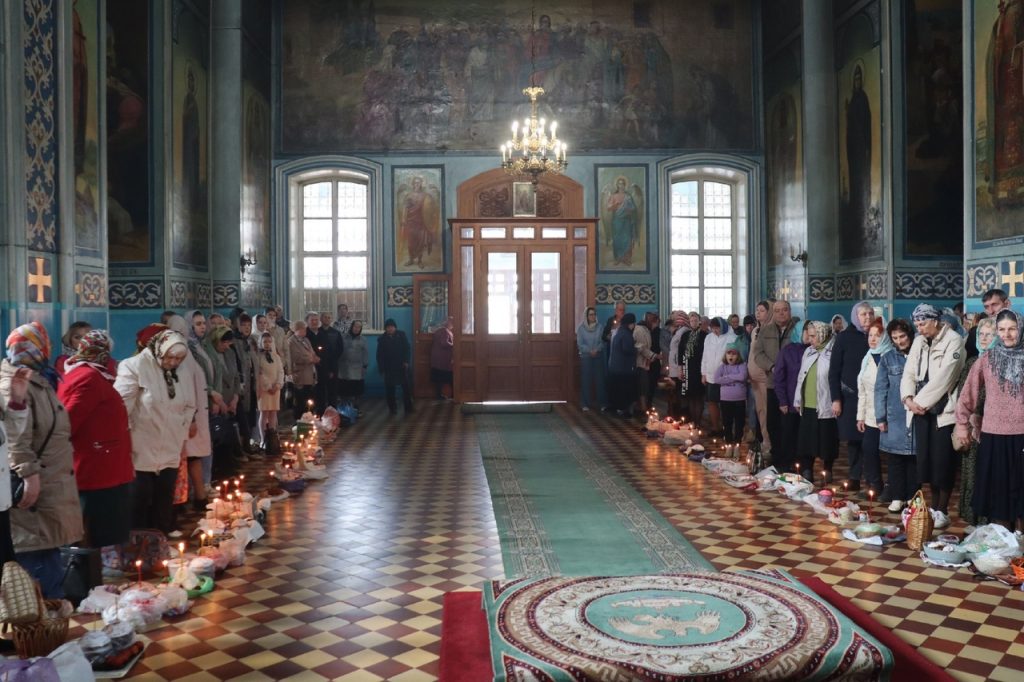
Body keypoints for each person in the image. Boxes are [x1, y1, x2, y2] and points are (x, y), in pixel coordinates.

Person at [0, 322, 84, 597]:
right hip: (36, 489)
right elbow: (15, 438)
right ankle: (41, 621)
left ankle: (50, 617)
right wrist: (28, 474)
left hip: (50, 483)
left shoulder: (37, 378)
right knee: (37, 572)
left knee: (48, 560)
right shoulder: (14, 384)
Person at [57, 330, 134, 548]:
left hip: (101, 463)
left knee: (101, 526)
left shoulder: (86, 374)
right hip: (98, 467)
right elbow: (69, 420)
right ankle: (99, 566)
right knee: (102, 529)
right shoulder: (88, 378)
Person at [115, 329, 196, 535]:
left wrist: (181, 433)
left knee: (164, 495)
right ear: (159, 350)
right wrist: (126, 438)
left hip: (171, 444)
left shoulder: (182, 371)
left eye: (179, 358)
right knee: (140, 499)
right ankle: (138, 542)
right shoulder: (135, 366)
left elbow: (189, 405)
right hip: (141, 444)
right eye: (170, 357)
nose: (174, 362)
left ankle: (161, 538)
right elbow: (121, 408)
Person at [955, 310, 1024, 531]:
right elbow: (968, 393)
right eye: (1001, 329)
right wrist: (961, 424)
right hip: (994, 435)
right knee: (998, 492)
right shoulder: (987, 359)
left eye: (1012, 329)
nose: (1007, 334)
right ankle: (1002, 540)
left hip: (1022, 435)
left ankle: (1020, 540)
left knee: (1022, 492)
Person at [900, 304, 965, 529]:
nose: (919, 329)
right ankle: (934, 507)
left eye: (923, 324)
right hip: (920, 410)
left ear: (935, 321)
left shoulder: (954, 340)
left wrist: (920, 402)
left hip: (942, 411)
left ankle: (942, 509)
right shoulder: (919, 341)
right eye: (917, 325)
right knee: (926, 462)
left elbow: (945, 377)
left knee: (942, 462)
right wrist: (908, 398)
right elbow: (909, 372)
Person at [166, 314, 212, 510]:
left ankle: (197, 495)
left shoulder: (185, 351)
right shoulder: (178, 353)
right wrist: (191, 417)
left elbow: (189, 383)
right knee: (187, 457)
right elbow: (184, 386)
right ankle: (188, 497)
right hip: (187, 415)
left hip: (192, 413)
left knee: (192, 456)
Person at [955, 316, 996, 526]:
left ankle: (991, 521)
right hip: (972, 429)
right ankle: (973, 520)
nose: (984, 338)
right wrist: (967, 419)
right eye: (981, 334)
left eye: (990, 334)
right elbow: (963, 395)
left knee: (992, 476)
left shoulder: (1000, 363)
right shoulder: (972, 362)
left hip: (994, 427)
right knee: (972, 475)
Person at [874, 319, 918, 512]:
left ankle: (912, 497)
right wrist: (880, 417)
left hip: (916, 414)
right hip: (895, 416)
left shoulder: (920, 354)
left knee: (914, 459)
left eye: (902, 336)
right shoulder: (887, 359)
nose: (900, 341)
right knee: (895, 459)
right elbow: (880, 389)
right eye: (895, 338)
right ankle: (897, 496)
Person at [752, 300, 799, 458]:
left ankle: (790, 458)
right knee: (773, 423)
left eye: (784, 310)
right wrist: (772, 367)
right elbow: (758, 354)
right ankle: (776, 456)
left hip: (792, 385)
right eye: (777, 310)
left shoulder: (797, 329)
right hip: (772, 383)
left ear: (790, 311)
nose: (781, 313)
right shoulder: (766, 330)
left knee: (790, 424)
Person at [793, 321, 838, 483]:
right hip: (808, 403)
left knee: (827, 440)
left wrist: (837, 400)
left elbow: (835, 378)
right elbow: (801, 376)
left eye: (813, 336)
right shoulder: (809, 351)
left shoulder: (833, 351)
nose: (810, 339)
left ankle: (827, 469)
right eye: (809, 335)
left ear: (822, 334)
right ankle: (807, 470)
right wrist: (798, 398)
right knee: (806, 440)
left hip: (825, 403)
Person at [855, 318, 891, 497]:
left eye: (877, 335)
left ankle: (892, 488)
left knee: (891, 453)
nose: (873, 339)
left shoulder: (891, 356)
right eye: (870, 335)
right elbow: (862, 390)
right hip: (870, 414)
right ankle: (874, 485)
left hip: (889, 414)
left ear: (885, 337)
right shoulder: (867, 357)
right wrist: (860, 416)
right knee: (869, 449)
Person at [773, 321, 811, 473]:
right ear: (799, 332)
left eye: (812, 331)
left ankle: (803, 466)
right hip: (789, 401)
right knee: (789, 435)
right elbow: (779, 377)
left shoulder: (814, 350)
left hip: (808, 402)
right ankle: (786, 465)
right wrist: (782, 400)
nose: (809, 334)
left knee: (805, 437)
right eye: (806, 331)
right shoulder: (787, 351)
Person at [701, 317, 737, 435]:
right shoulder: (708, 337)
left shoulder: (732, 338)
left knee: (725, 404)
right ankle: (715, 427)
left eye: (717, 328)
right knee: (712, 401)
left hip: (725, 376)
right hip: (711, 375)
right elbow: (705, 356)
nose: (715, 331)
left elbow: (734, 357)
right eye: (713, 328)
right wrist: (703, 373)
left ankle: (727, 428)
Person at [747, 300, 774, 449]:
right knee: (760, 410)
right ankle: (764, 440)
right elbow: (752, 353)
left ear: (769, 313)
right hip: (754, 378)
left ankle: (770, 442)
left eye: (762, 310)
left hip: (766, 377)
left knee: (768, 410)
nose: (758, 313)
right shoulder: (755, 330)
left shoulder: (772, 330)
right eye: (757, 310)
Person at [714, 347, 748, 457]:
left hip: (739, 400)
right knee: (727, 423)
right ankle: (728, 445)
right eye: (729, 353)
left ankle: (737, 446)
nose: (731, 356)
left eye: (734, 354)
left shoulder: (742, 365)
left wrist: (727, 377)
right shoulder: (722, 367)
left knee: (739, 424)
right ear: (725, 355)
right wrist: (735, 378)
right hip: (725, 400)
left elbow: (742, 376)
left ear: (738, 356)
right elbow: (717, 379)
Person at [377, 319, 413, 415]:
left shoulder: (401, 335)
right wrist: (381, 368)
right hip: (389, 367)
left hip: (402, 366)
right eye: (388, 327)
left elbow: (407, 349)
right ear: (385, 328)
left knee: (406, 388)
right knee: (390, 389)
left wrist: (406, 361)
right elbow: (379, 355)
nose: (390, 329)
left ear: (395, 327)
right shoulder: (382, 339)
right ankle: (392, 409)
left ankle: (409, 408)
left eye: (392, 327)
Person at [676, 311, 706, 425]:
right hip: (687, 369)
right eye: (691, 320)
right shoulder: (685, 335)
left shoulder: (704, 335)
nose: (693, 322)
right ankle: (693, 421)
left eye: (695, 320)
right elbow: (680, 353)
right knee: (690, 396)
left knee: (698, 396)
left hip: (699, 368)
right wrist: (680, 369)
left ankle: (698, 421)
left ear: (699, 321)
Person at [256, 332, 284, 448]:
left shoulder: (276, 357)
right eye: (265, 342)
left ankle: (272, 438)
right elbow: (260, 373)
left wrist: (278, 384)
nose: (267, 344)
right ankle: (263, 439)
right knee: (264, 413)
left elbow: (280, 371)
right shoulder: (258, 357)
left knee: (273, 413)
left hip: (275, 389)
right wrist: (268, 386)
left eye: (269, 341)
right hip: (264, 390)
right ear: (261, 343)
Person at [607, 313, 637, 417]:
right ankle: (623, 410)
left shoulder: (619, 331)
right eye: (633, 323)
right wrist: (636, 349)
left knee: (617, 389)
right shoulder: (626, 333)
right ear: (630, 324)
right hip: (624, 367)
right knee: (624, 390)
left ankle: (617, 408)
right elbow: (626, 349)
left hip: (615, 367)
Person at [577, 307, 607, 411]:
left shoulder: (600, 327)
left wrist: (596, 350)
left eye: (594, 314)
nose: (593, 316)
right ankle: (585, 403)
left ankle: (602, 403)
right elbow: (580, 344)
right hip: (586, 357)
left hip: (598, 356)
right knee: (586, 380)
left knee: (600, 380)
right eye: (591, 314)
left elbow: (602, 342)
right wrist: (589, 351)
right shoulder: (581, 328)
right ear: (586, 316)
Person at [288, 320, 319, 419]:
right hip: (300, 375)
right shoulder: (291, 342)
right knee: (300, 401)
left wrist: (315, 357)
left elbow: (312, 352)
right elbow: (296, 357)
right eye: (302, 329)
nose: (305, 330)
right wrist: (310, 359)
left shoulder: (306, 340)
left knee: (309, 400)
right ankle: (299, 420)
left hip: (310, 374)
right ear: (296, 330)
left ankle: (308, 419)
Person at [338, 321, 369, 407]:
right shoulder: (343, 337)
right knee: (344, 390)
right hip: (343, 368)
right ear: (352, 327)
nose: (356, 328)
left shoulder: (363, 339)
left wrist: (365, 365)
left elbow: (365, 353)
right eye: (355, 326)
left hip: (357, 369)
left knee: (357, 391)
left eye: (359, 327)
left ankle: (356, 408)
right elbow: (338, 350)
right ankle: (344, 408)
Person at [318, 311, 344, 406]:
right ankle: (321, 409)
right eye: (325, 317)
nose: (327, 319)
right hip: (319, 364)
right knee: (320, 389)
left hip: (333, 364)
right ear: (321, 319)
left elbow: (340, 348)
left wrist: (333, 359)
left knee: (332, 389)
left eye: (329, 317)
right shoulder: (317, 332)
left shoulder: (336, 333)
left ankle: (332, 409)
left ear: (331, 320)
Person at [633, 313, 656, 415]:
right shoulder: (639, 330)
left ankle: (642, 407)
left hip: (644, 363)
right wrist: (653, 356)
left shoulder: (646, 329)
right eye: (651, 320)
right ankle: (642, 408)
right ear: (646, 319)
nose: (653, 323)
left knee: (644, 386)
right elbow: (641, 348)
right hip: (639, 363)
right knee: (642, 386)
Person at [430, 316, 455, 401]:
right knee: (449, 377)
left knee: (439, 379)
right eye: (452, 323)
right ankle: (454, 395)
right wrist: (454, 345)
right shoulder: (445, 331)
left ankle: (439, 395)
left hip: (437, 359)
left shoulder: (439, 331)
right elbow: (444, 343)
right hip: (443, 359)